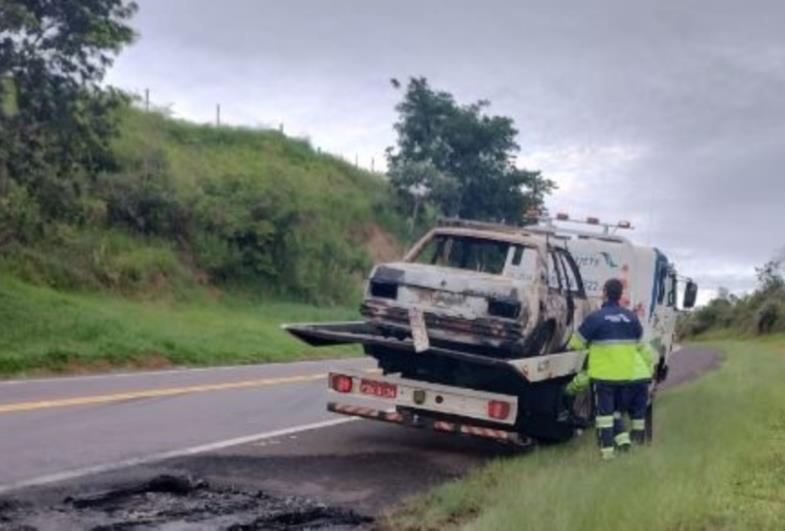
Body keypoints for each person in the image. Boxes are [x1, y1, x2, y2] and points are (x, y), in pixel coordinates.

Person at [568, 278, 650, 460]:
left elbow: (575, 343)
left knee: (604, 417)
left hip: (604, 377)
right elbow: (640, 345)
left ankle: (607, 455)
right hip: (625, 376)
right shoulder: (631, 318)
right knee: (616, 413)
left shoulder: (596, 317)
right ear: (620, 295)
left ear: (604, 292)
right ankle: (624, 444)